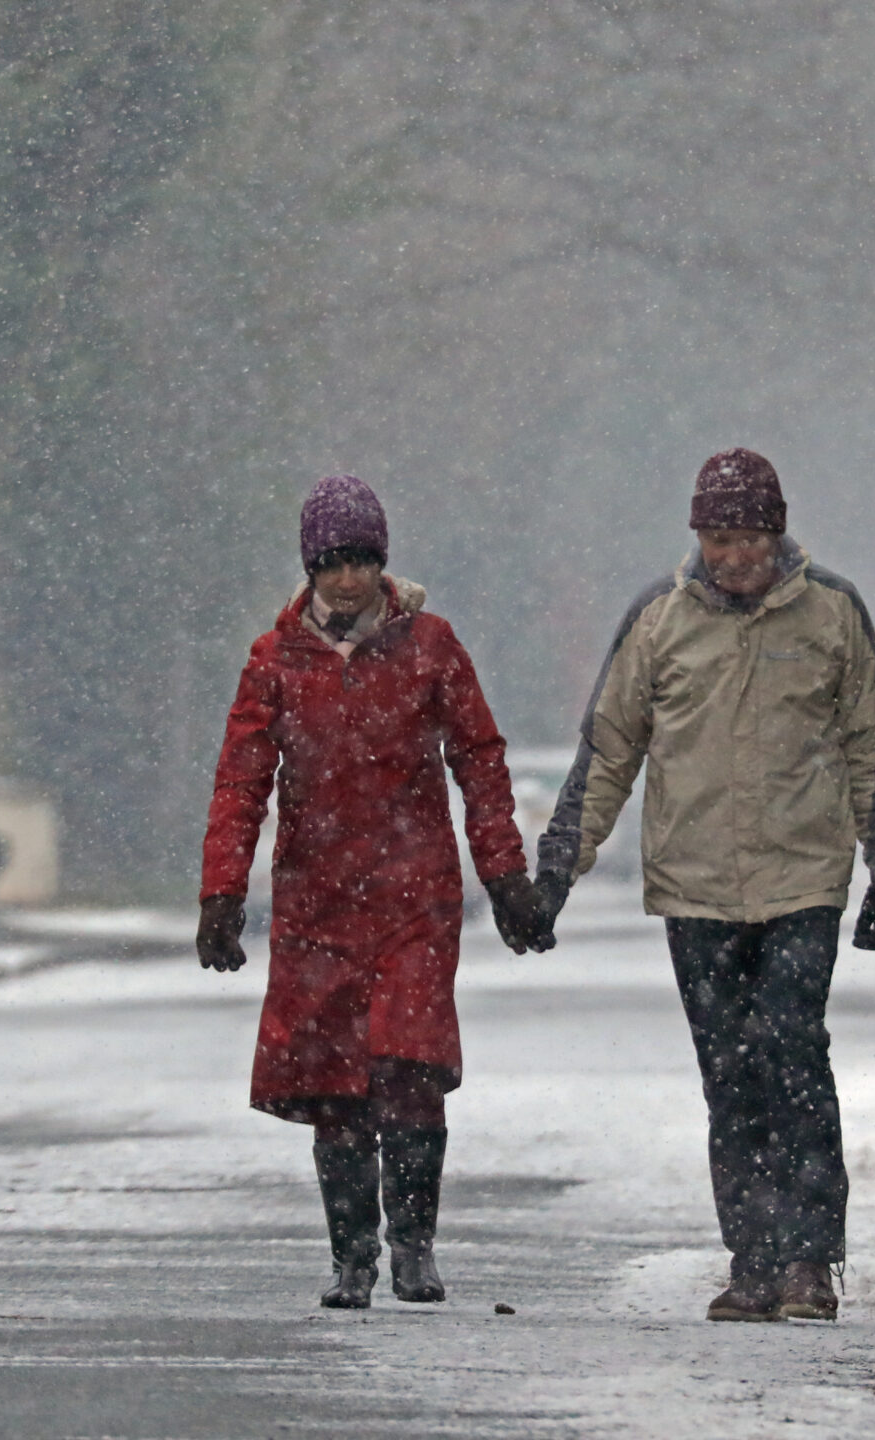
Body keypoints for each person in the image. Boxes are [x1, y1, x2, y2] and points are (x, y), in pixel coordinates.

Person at [534, 447, 875, 1323]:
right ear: (697, 538)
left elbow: (871, 744)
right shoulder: (659, 620)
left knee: (795, 1053)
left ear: (777, 534)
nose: (735, 556)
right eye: (718, 539)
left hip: (802, 879)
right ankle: (752, 1259)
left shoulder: (832, 612)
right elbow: (609, 752)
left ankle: (810, 1259)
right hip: (696, 887)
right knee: (730, 1073)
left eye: (749, 538)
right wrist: (557, 869)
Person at [197, 474, 554, 1309]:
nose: (347, 579)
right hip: (315, 902)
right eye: (331, 564)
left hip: (413, 896)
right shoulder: (274, 660)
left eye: (360, 561)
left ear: (382, 563)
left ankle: (414, 1247)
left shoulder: (430, 645)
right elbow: (242, 781)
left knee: (408, 1065)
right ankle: (351, 1257)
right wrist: (221, 893)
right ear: (311, 569)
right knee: (333, 1082)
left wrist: (503, 873)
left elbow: (479, 757)